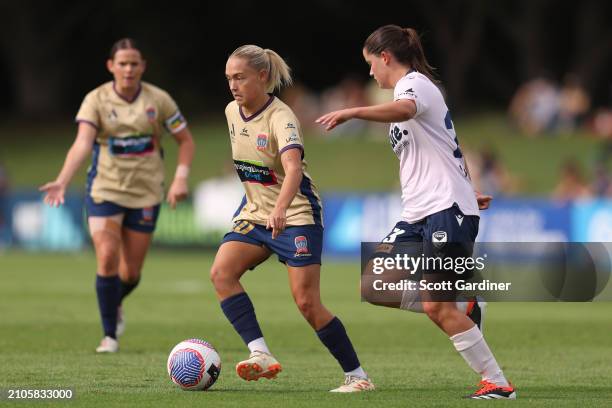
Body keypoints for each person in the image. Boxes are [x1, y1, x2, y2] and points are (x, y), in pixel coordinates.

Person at [316, 25, 516, 399]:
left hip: (444, 210)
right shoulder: (406, 91)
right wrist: (469, 188)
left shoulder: (415, 85)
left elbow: (407, 110)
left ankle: (498, 384)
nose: (370, 72)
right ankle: (465, 304)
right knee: (375, 283)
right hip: (420, 212)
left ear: (386, 57)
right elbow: (446, 145)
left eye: (371, 63)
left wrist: (353, 111)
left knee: (435, 307)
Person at [211, 44, 374, 392]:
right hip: (256, 215)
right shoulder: (231, 111)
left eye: (240, 77)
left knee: (307, 302)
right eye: (228, 79)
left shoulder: (282, 117)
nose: (233, 85)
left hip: (297, 214)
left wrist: (282, 207)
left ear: (263, 76)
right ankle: (260, 354)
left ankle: (358, 376)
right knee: (222, 273)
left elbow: (293, 169)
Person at [40, 38, 195, 353]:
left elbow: (186, 142)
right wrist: (62, 179)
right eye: (122, 63)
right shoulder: (95, 100)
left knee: (131, 272)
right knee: (107, 255)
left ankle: (114, 301)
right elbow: (83, 143)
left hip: (146, 193)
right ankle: (109, 335)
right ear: (111, 66)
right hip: (105, 190)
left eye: (133, 63)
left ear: (142, 67)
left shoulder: (159, 100)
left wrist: (180, 179)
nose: (128, 69)